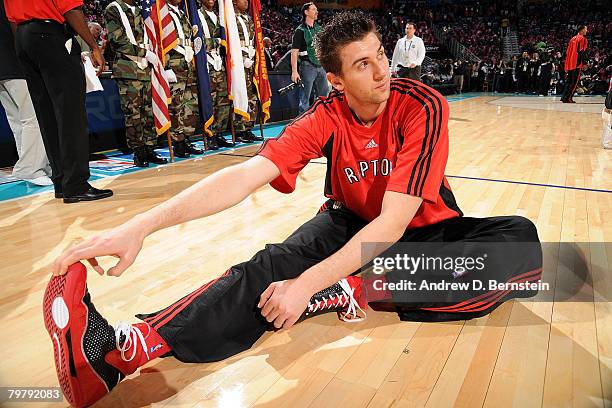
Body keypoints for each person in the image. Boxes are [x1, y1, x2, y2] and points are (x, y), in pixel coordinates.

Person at [44, 12, 542, 408]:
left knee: (520, 241)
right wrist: (142, 225)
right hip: (348, 222)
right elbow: (243, 176)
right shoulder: (325, 115)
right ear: (336, 80)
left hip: (421, 232)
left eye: (380, 56)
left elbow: (393, 222)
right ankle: (124, 352)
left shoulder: (423, 105)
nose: (381, 71)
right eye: (362, 64)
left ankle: (347, 289)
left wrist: (309, 285)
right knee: (265, 267)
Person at [6, 0, 113, 203]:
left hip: (23, 37)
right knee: (70, 113)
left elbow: (12, 19)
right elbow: (71, 7)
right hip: (51, 34)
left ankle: (62, 182)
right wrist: (94, 46)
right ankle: (76, 185)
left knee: (47, 114)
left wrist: (26, 44)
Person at [104, 0, 167, 167]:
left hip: (146, 69)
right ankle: (138, 151)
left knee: (148, 111)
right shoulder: (113, 9)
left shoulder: (142, 10)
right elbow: (117, 41)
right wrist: (145, 53)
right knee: (133, 114)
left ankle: (150, 147)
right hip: (128, 68)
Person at [0, 0, 52, 186]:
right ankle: (31, 169)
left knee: (18, 120)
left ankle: (31, 164)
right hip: (15, 64)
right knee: (34, 117)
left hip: (4, 68)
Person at [166, 0, 204, 158]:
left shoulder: (182, 13)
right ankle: (178, 142)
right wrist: (166, 66)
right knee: (175, 106)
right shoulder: (163, 12)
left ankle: (186, 138)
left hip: (188, 64)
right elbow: (162, 41)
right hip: (175, 64)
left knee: (189, 105)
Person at [200, 0, 234, 149]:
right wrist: (218, 41)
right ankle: (210, 135)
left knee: (223, 102)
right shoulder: (197, 16)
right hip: (206, 64)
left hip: (219, 64)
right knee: (210, 102)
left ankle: (219, 133)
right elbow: (198, 41)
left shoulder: (218, 17)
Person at [232, 0, 264, 143]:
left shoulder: (249, 18)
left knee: (252, 96)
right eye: (243, 0)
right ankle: (239, 130)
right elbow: (232, 42)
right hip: (239, 62)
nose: (246, 2)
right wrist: (242, 58)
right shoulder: (231, 18)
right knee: (240, 95)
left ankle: (248, 128)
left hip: (252, 61)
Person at [291, 2, 329, 113]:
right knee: (305, 98)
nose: (316, 11)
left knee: (324, 97)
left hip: (321, 67)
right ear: (306, 12)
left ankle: (322, 119)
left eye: (316, 9)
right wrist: (294, 71)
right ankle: (304, 124)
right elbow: (294, 53)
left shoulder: (320, 29)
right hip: (307, 66)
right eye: (313, 9)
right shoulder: (300, 31)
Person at [561, 25, 588, 103]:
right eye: (586, 29)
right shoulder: (582, 39)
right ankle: (569, 98)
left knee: (569, 81)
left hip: (570, 62)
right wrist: (584, 63)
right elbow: (581, 51)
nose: (586, 31)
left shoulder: (573, 38)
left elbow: (567, 52)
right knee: (574, 82)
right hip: (577, 63)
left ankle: (564, 97)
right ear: (582, 30)